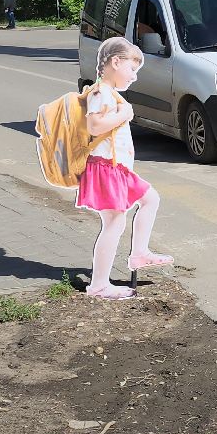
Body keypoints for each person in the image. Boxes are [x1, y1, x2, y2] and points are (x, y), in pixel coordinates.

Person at [79, 36, 170, 299]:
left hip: (116, 168)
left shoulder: (109, 93)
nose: (134, 77)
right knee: (114, 223)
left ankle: (140, 253)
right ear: (115, 62)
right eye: (132, 69)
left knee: (150, 199)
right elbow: (94, 126)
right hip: (106, 168)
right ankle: (98, 286)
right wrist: (124, 114)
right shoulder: (99, 93)